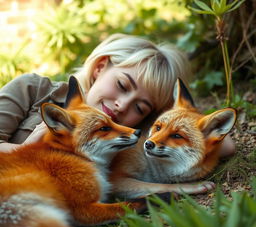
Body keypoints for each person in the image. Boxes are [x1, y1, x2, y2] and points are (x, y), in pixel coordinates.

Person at [0, 33, 235, 156]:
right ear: (101, 66)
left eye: (140, 107)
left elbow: (225, 147)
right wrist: (26, 149)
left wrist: (167, 112)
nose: (122, 105)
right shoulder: (34, 89)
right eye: (122, 85)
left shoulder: (133, 134)